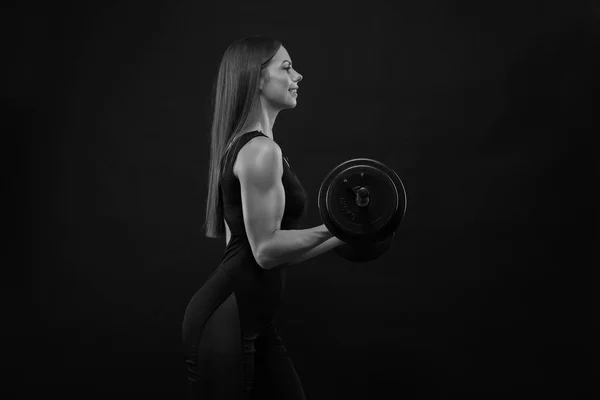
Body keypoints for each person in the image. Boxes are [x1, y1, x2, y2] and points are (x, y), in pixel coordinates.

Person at [181, 35, 344, 399]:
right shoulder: (260, 150)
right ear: (256, 78)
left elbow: (274, 252)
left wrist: (343, 236)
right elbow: (265, 250)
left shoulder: (251, 147)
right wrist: (333, 226)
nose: (298, 75)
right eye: (286, 67)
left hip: (254, 322)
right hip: (225, 322)